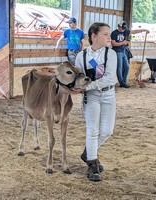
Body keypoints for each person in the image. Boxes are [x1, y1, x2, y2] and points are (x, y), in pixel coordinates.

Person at [75, 22, 117, 182]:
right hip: (91, 97)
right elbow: (78, 77)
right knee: (92, 130)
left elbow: (109, 78)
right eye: (105, 34)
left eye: (109, 34)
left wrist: (88, 86)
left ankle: (88, 153)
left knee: (107, 131)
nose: (109, 37)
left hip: (108, 95)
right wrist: (76, 86)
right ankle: (92, 163)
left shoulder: (110, 54)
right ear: (94, 36)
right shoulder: (82, 56)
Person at [111, 21, 149, 88]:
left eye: (124, 28)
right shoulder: (114, 33)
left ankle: (124, 81)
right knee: (119, 67)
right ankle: (122, 82)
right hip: (117, 51)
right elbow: (113, 43)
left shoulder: (125, 31)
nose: (123, 29)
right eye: (122, 28)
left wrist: (144, 30)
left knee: (127, 66)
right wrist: (122, 43)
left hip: (123, 51)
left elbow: (134, 31)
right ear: (119, 26)